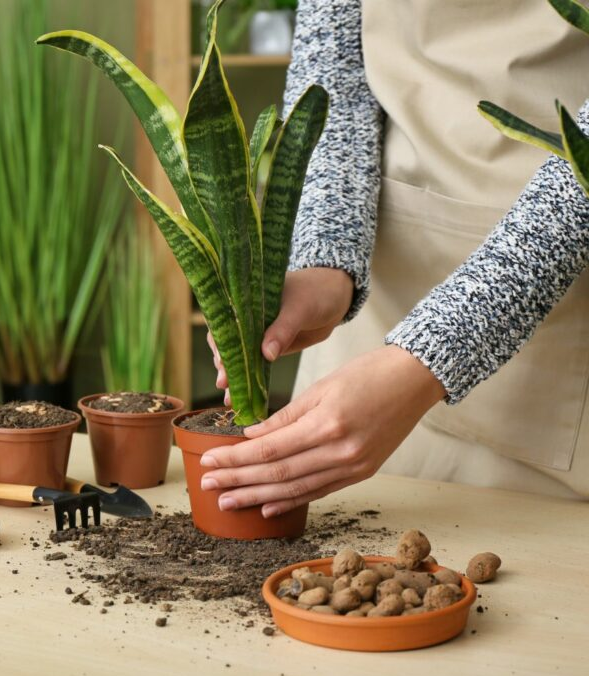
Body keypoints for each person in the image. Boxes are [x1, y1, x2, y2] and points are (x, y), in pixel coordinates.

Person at [201, 0, 589, 517]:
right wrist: (325, 261)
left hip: (554, 294)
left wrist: (431, 356)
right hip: (371, 306)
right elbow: (333, 70)